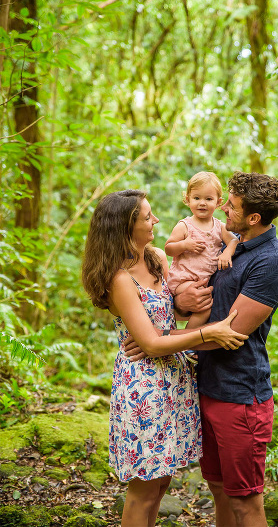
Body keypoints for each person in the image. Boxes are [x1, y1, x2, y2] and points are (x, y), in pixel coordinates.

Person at [81, 189, 249, 527]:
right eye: (147, 217)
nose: (156, 220)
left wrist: (188, 303)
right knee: (143, 489)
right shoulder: (119, 278)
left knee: (161, 482)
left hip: (173, 380)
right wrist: (208, 334)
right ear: (124, 227)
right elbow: (151, 343)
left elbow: (167, 321)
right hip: (143, 387)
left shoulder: (157, 257)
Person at [172, 171, 278, 527]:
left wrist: (161, 341)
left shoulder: (270, 261)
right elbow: (199, 301)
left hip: (240, 397)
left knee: (245, 502)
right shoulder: (231, 245)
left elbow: (231, 333)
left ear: (253, 218)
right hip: (208, 385)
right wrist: (182, 299)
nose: (223, 207)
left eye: (232, 205)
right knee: (219, 489)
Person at [165, 171, 239, 328]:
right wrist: (184, 245)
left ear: (219, 202)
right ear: (187, 199)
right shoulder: (185, 226)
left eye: (208, 199)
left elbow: (234, 240)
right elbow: (169, 248)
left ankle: (187, 341)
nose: (202, 203)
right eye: (196, 198)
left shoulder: (219, 226)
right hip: (184, 280)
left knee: (206, 308)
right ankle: (186, 341)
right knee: (204, 309)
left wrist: (227, 252)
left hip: (204, 281)